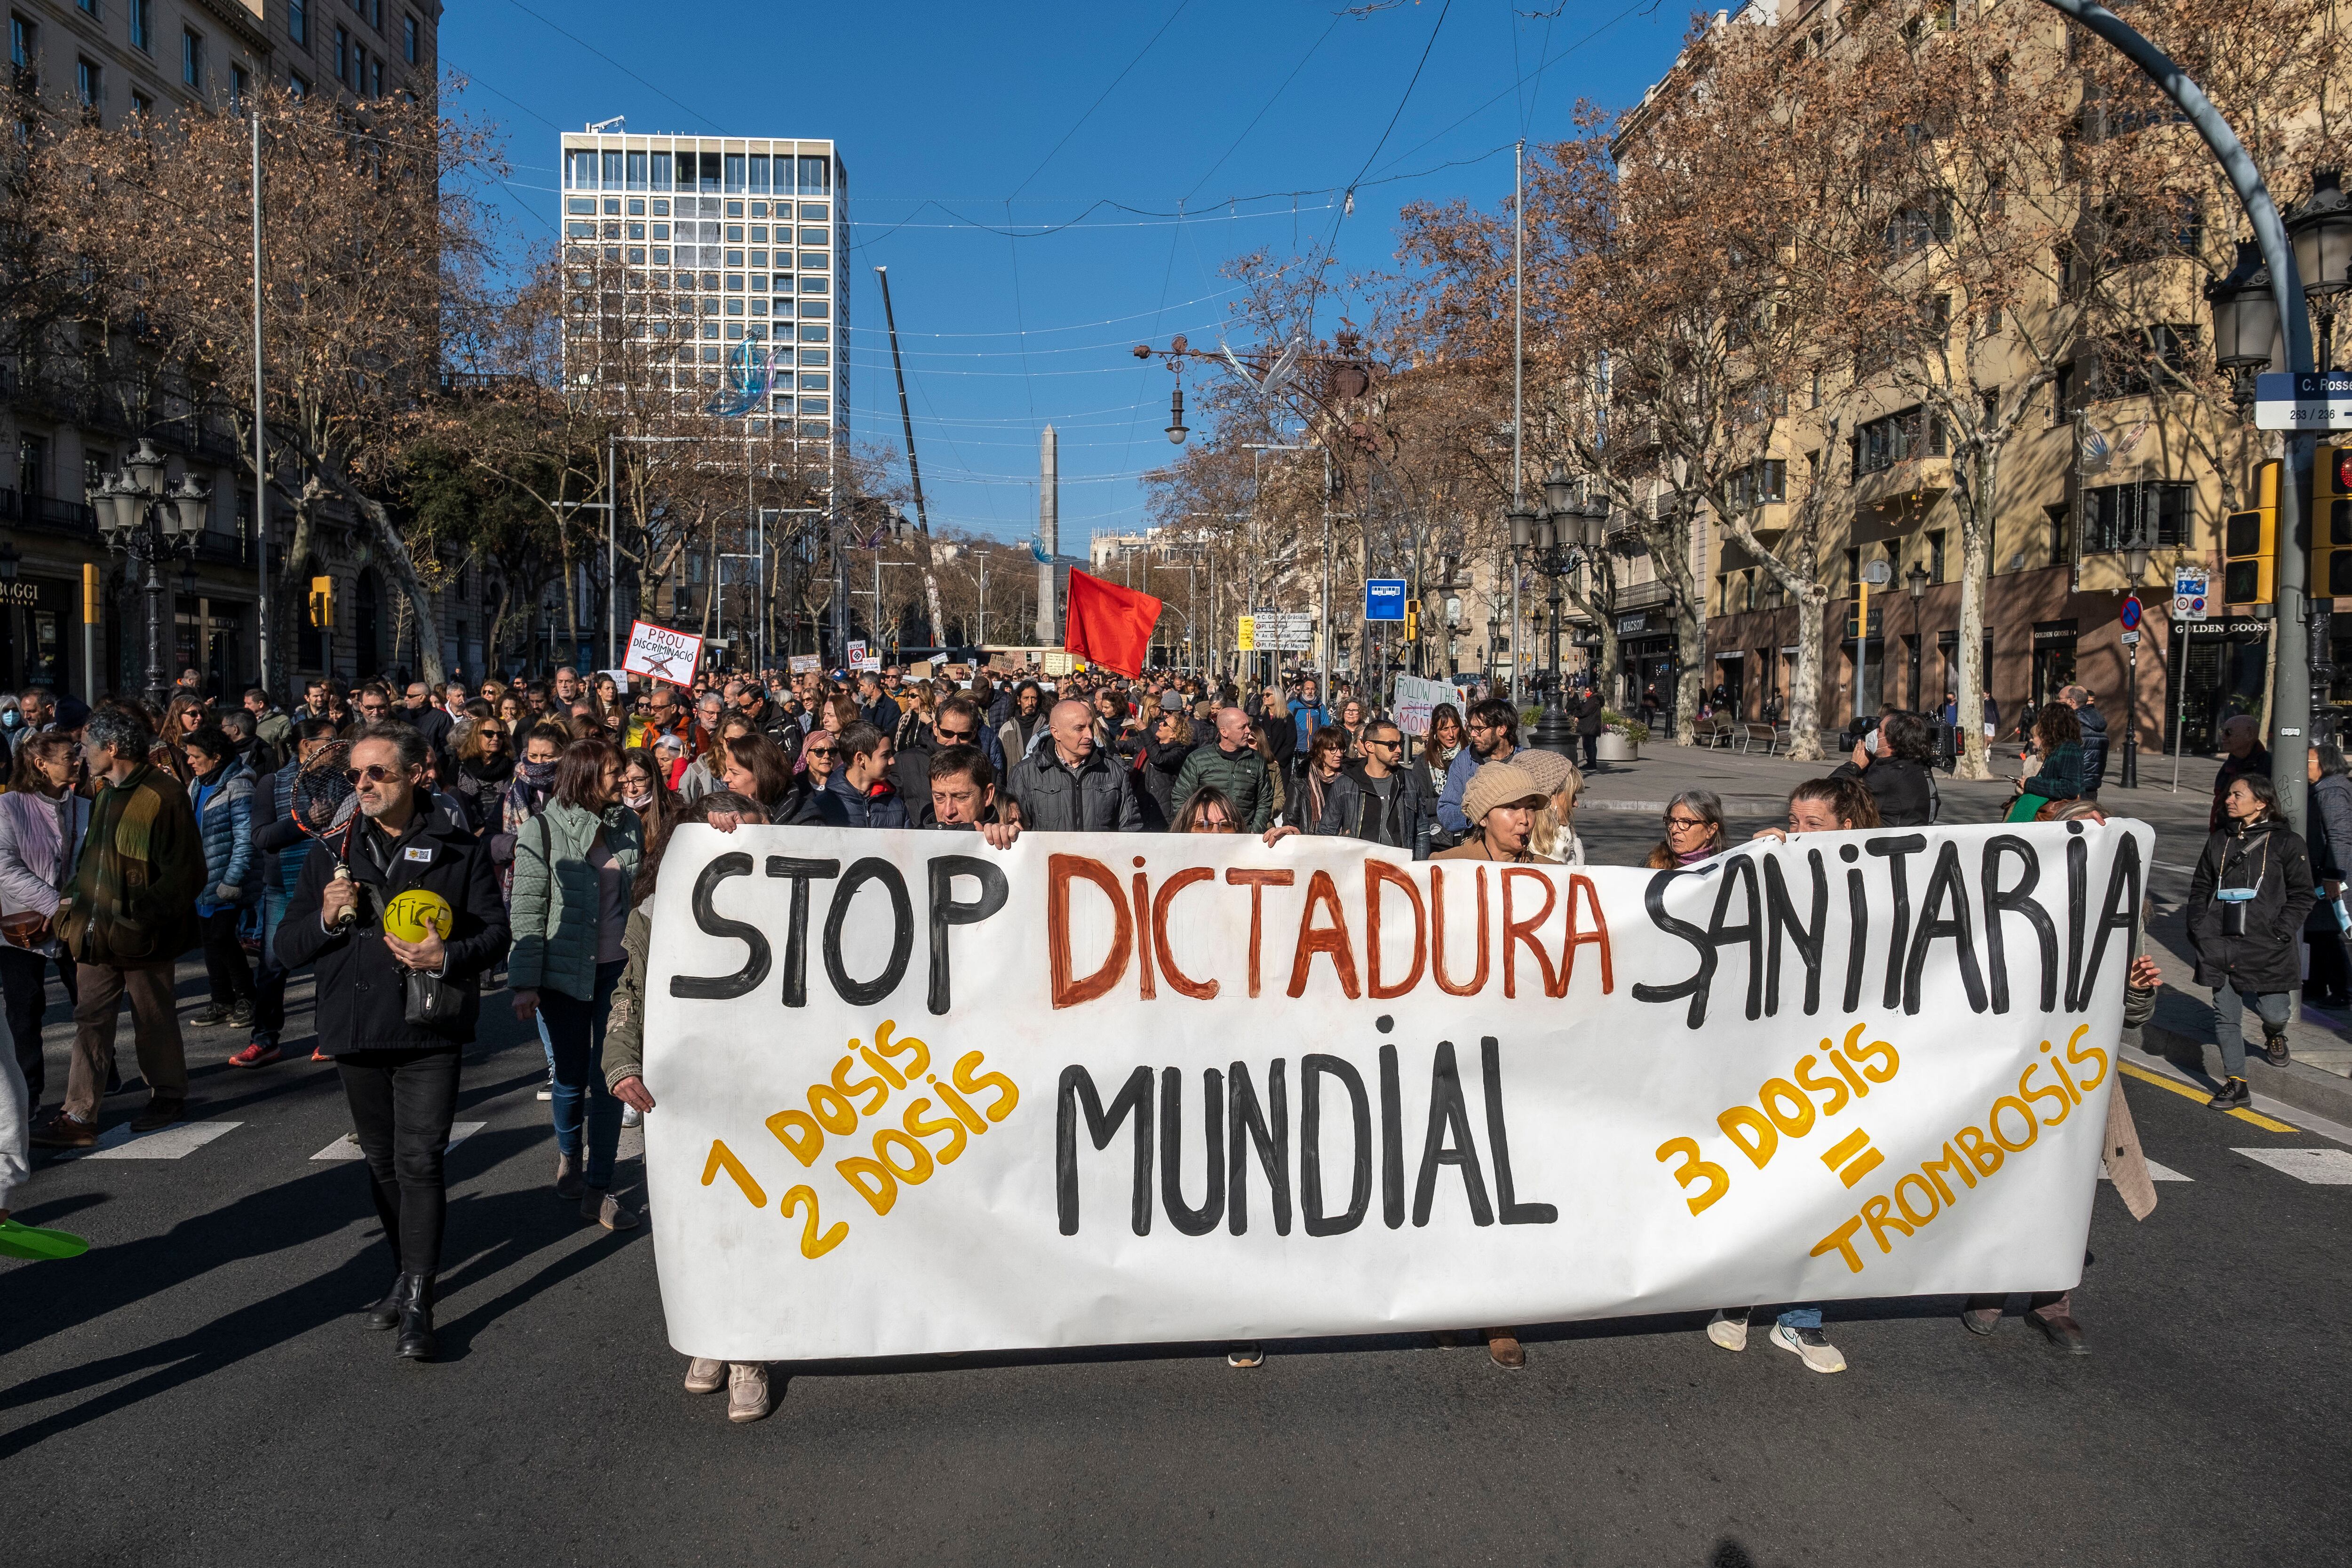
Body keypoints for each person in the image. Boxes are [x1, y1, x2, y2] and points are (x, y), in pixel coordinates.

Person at [282, 722, 509, 1358]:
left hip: (426, 1024)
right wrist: (326, 916)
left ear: (417, 773)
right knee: (382, 1164)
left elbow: (496, 936)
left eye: (378, 772)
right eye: (357, 774)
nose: (364, 784)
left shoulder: (458, 849)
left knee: (420, 1160)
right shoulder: (330, 851)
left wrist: (445, 956)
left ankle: (420, 1300)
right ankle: (404, 1272)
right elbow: (286, 946)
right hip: (354, 1028)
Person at [602, 790, 778, 1420]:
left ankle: (748, 1352)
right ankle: (711, 1335)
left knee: (758, 1216)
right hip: (691, 1089)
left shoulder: (796, 900)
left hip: (774, 1086)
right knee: (697, 1217)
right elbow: (632, 987)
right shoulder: (659, 910)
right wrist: (621, 1062)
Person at [32, 707, 207, 1147]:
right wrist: (70, 905)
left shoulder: (164, 794)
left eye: (87, 747)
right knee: (90, 1020)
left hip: (142, 936)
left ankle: (168, 1094)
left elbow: (186, 873)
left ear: (112, 748)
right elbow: (91, 859)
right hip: (95, 933)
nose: (81, 755)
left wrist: (139, 915)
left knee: (153, 1018)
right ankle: (78, 1115)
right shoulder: (105, 793)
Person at [509, 737, 645, 1230]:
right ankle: (570, 1155)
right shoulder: (541, 831)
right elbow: (526, 909)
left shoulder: (627, 824)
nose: (624, 778)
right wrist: (524, 983)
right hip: (562, 975)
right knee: (568, 1075)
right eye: (613, 771)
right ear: (587, 776)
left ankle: (599, 1188)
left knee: (610, 1077)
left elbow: (638, 888)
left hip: (617, 972)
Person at [2188, 771, 2315, 1104]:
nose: (2229, 800)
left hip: (2267, 942)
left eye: (2237, 795)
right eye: (2229, 795)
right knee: (2226, 1015)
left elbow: (2303, 894)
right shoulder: (2220, 839)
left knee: (2274, 1011)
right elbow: (2201, 886)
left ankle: (2275, 1034)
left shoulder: (2288, 843)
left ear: (2261, 803)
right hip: (2220, 939)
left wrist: (2281, 930)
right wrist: (2199, 927)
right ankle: (2237, 1083)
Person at [234, 717, 343, 1068]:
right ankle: (265, 1039)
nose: (336, 747)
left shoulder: (343, 781)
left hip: (331, 883)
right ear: (306, 745)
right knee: (272, 964)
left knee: (330, 963)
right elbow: (262, 837)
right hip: (283, 886)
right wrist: (305, 821)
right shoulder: (274, 782)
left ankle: (329, 1035)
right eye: (329, 740)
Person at [0, 733, 87, 1112]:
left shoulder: (84, 807)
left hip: (77, 923)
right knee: (25, 1009)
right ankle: (29, 1092)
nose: (78, 761)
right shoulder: (8, 806)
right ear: (41, 764)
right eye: (69, 756)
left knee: (89, 1004)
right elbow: (5, 867)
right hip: (20, 929)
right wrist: (56, 905)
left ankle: (103, 1075)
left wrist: (77, 908)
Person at [182, 726, 260, 1030]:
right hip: (203, 882)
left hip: (226, 881)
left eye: (195, 756)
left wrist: (233, 879)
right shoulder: (198, 784)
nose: (190, 761)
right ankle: (221, 999)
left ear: (216, 757)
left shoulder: (239, 786)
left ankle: (246, 999)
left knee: (223, 939)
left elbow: (245, 839)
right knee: (210, 942)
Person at [1004, 699, 1143, 832]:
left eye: (1090, 727)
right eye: (1079, 729)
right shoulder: (1025, 773)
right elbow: (1016, 829)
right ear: (1056, 733)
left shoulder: (1114, 770)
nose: (1089, 735)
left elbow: (1131, 829)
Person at [1313, 717, 1434, 858]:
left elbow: (1422, 832)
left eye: (1400, 743)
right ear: (1370, 746)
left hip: (1401, 870)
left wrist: (1420, 869)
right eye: (1391, 745)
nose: (1399, 750)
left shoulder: (1409, 782)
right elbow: (1327, 833)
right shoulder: (1346, 784)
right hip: (1358, 869)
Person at [1171, 707, 1274, 835]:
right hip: (1206, 836)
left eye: (1248, 725)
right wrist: (1196, 828)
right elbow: (1181, 798)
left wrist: (1255, 830)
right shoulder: (1198, 759)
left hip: (1243, 836)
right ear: (1225, 732)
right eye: (1242, 727)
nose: (1248, 731)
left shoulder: (1257, 760)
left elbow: (1265, 800)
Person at [1431, 763, 1554, 868]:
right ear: (1484, 818)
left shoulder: (1552, 871)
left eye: (1530, 807)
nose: (1525, 819)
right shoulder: (1445, 866)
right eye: (1511, 807)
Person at [2304, 743, 2352, 1008]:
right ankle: (2316, 985)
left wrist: (2335, 875)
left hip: (2331, 876)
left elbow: (2340, 836)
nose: (2304, 766)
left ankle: (2343, 991)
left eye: (2309, 761)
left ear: (2325, 764)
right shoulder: (2321, 789)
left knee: (2331, 933)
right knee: (2317, 932)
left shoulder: (2332, 791)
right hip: (2322, 874)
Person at [1830, 709, 1937, 827]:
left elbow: (1828, 795)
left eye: (1880, 730)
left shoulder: (1887, 775)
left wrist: (1854, 765)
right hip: (1915, 841)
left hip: (1885, 843)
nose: (1874, 733)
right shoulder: (1920, 768)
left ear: (1892, 742)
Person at [892, 696, 985, 831]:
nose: (955, 742)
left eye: (964, 736)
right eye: (948, 733)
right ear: (936, 728)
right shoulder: (905, 761)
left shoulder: (982, 766)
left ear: (974, 733)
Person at [1438, 700, 1520, 838]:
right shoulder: (1463, 761)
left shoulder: (1523, 761)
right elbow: (1446, 813)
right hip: (1479, 847)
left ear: (1502, 729)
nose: (1473, 735)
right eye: (1472, 729)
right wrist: (1475, 812)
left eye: (1479, 729)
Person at [2009, 701, 2085, 821]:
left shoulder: (2069, 749)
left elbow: (2070, 788)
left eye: (2042, 722)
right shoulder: (2058, 747)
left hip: (2053, 815)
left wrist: (2030, 784)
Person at [448, 710, 516, 835]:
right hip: (466, 834)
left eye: (500, 735)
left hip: (501, 834)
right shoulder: (459, 766)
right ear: (476, 736)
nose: (496, 738)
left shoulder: (512, 768)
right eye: (489, 734)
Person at [1516, 748, 1586, 866]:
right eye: (1571, 796)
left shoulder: (1571, 841)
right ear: (1552, 798)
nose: (1576, 804)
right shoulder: (1522, 850)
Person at [2209, 714, 2270, 831]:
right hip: (2223, 834)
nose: (2223, 737)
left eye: (2229, 732)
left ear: (2249, 734)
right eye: (2222, 732)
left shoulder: (2266, 766)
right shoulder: (2229, 765)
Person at [1646, 789, 1728, 868]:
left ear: (1711, 830)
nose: (1674, 830)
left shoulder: (1727, 864)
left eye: (1686, 822)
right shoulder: (1654, 862)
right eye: (1671, 821)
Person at [1294, 726, 1346, 834]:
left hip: (1341, 844)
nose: (1339, 754)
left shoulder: (1348, 778)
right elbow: (1291, 817)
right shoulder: (1302, 777)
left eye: (1341, 749)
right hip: (1309, 841)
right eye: (1333, 750)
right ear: (1319, 751)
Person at [998, 680, 1048, 765]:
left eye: (1033, 698)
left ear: (1038, 700)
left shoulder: (1046, 727)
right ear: (1018, 700)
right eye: (1026, 698)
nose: (1030, 703)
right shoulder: (1007, 729)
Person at [1574, 687, 1605, 771]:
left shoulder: (1593, 700)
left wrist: (1577, 714)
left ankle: (1591, 763)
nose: (1585, 692)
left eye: (1587, 691)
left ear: (1592, 692)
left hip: (1590, 726)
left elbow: (1585, 711)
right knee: (1592, 745)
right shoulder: (1595, 700)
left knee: (1588, 745)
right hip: (1592, 726)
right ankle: (1592, 762)